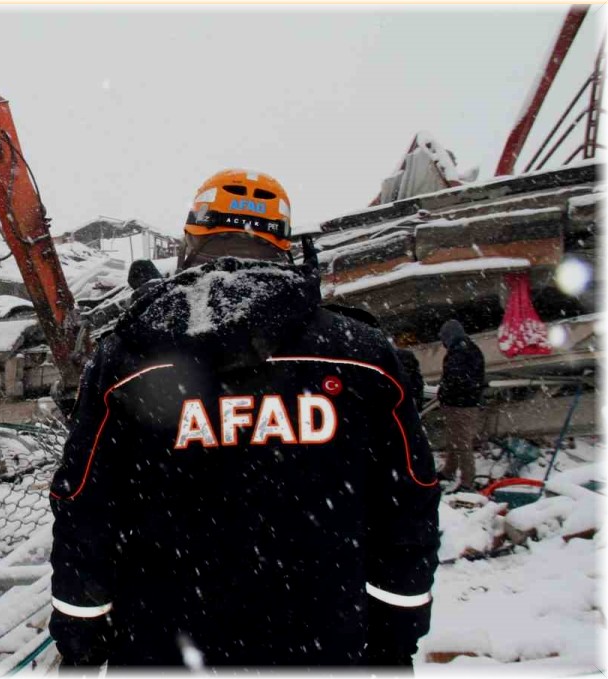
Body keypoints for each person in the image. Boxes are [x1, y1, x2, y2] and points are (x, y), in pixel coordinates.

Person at [48, 169, 441, 668]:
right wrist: (394, 635)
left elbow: (85, 505)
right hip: (324, 642)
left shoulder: (127, 359)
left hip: (162, 643)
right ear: (285, 245)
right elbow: (409, 499)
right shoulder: (360, 354)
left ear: (191, 240)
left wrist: (81, 638)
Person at [437, 318, 486, 491]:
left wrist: (445, 390)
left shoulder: (461, 352)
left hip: (461, 405)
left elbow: (457, 379)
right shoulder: (466, 349)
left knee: (463, 443)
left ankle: (467, 481)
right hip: (460, 403)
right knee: (454, 440)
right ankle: (449, 470)